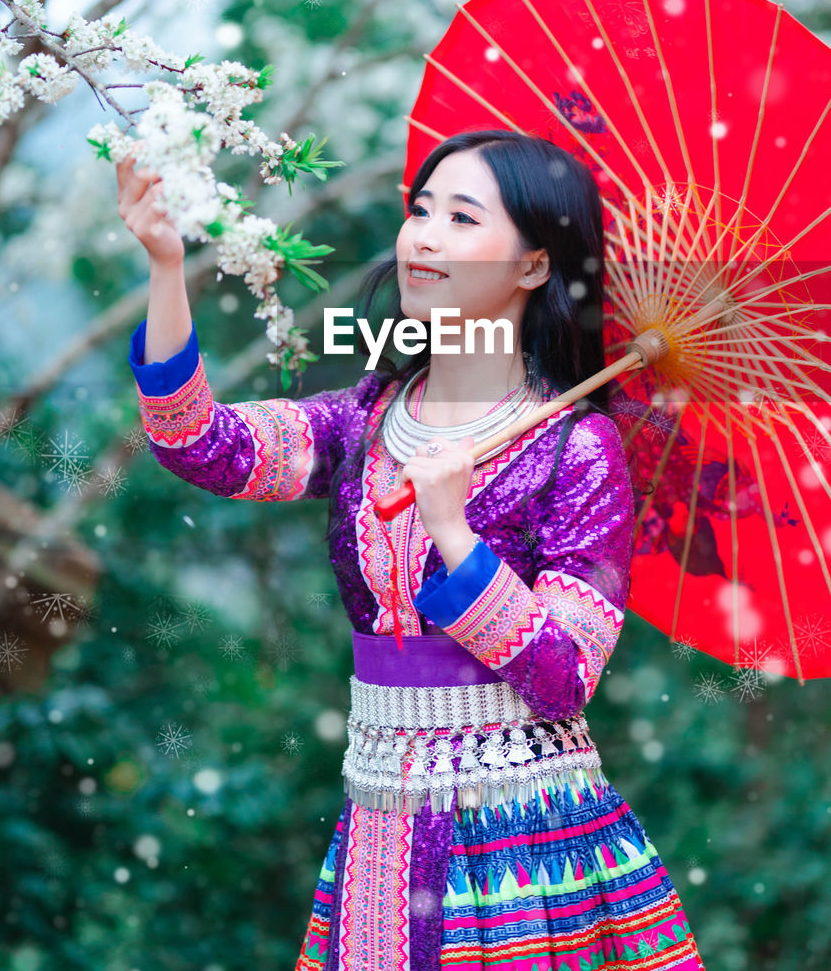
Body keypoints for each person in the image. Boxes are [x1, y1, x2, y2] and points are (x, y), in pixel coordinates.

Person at [116, 129, 707, 971]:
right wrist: (167, 267)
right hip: (382, 823)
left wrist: (455, 536)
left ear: (533, 266)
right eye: (420, 210)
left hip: (523, 839)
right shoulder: (365, 417)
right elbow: (201, 444)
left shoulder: (579, 451)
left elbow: (561, 677)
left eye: (461, 218)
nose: (422, 236)